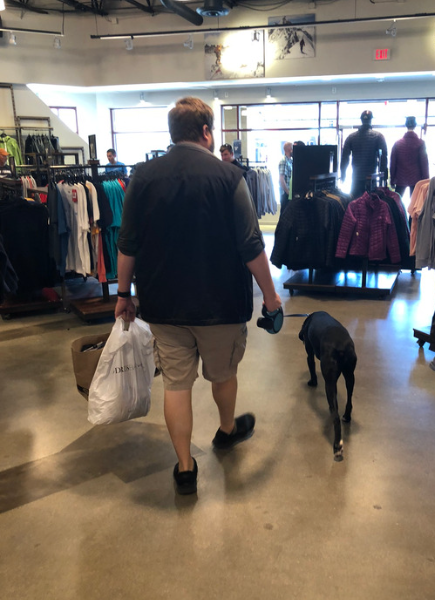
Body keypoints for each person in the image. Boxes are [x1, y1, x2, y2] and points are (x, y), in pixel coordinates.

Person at [115, 97, 281, 496]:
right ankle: (226, 431)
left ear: (173, 134)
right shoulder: (229, 177)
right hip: (220, 304)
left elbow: (128, 243)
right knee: (223, 374)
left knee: (176, 383)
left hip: (164, 303)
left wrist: (123, 294)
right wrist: (271, 298)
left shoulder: (143, 176)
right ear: (207, 132)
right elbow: (251, 245)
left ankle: (186, 470)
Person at [340, 110, 388, 199]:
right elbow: (383, 158)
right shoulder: (378, 136)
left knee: (355, 206)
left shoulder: (351, 137)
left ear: (361, 120)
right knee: (370, 206)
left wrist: (343, 175)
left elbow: (345, 158)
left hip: (356, 177)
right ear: (371, 120)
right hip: (371, 178)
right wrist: (383, 177)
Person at [390, 116, 429, 200]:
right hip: (416, 178)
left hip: (400, 178)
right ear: (415, 125)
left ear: (405, 125)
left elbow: (393, 163)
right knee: (414, 204)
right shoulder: (420, 143)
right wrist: (426, 180)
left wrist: (392, 180)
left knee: (396, 202)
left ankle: (399, 213)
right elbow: (424, 164)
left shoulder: (397, 144)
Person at [278, 141, 293, 215]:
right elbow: (281, 179)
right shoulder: (283, 161)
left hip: (289, 193)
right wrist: (288, 192)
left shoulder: (291, 161)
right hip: (285, 193)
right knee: (284, 214)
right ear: (290, 149)